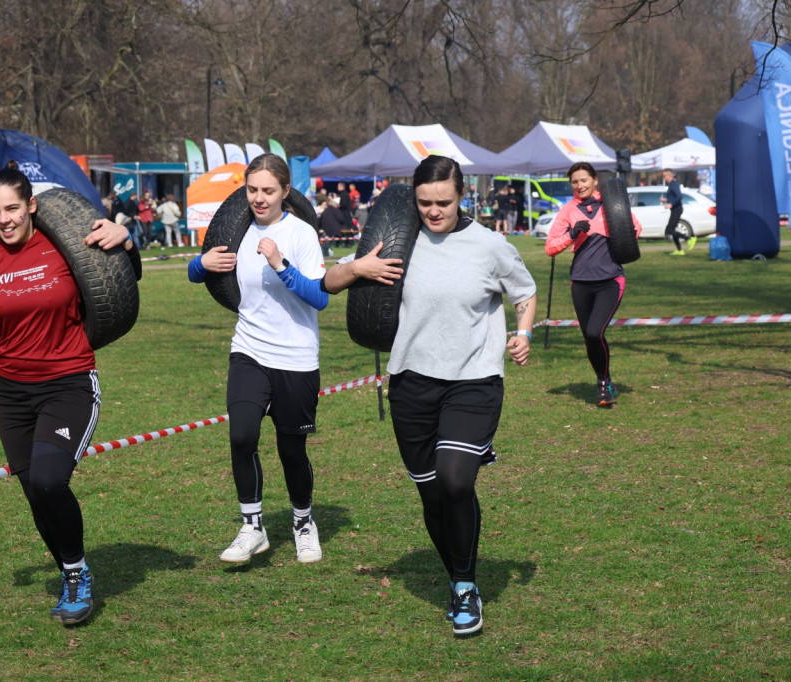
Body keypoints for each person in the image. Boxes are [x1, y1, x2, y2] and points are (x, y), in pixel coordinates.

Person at [323, 155, 537, 637]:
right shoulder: (400, 239)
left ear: (463, 197)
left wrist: (523, 331)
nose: (434, 212)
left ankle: (464, 586)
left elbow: (524, 293)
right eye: (424, 203)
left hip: (474, 381)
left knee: (457, 481)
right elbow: (327, 284)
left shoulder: (490, 246)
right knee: (432, 494)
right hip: (412, 385)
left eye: (444, 202)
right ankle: (458, 573)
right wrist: (360, 266)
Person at [0, 160, 139, 626]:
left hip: (68, 382)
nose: (4, 218)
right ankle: (74, 571)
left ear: (32, 207)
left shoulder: (65, 245)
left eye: (12, 208)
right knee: (34, 492)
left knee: (50, 481)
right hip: (12, 394)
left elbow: (124, 276)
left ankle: (76, 576)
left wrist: (125, 238)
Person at [187, 153, 329, 565]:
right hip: (249, 349)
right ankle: (252, 527)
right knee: (242, 435)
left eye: (268, 191)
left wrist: (281, 265)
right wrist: (201, 263)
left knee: (292, 451)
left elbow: (319, 297)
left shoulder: (301, 233)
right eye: (252, 190)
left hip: (297, 357)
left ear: (286, 191)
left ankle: (303, 522)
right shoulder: (237, 231)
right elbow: (200, 275)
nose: (259, 199)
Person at [545, 162, 642, 407]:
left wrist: (619, 240)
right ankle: (605, 382)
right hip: (580, 281)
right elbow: (550, 247)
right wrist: (572, 234)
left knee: (594, 331)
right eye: (575, 182)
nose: (580, 185)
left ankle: (603, 384)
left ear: (595, 180)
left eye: (584, 180)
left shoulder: (611, 203)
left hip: (610, 280)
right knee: (589, 338)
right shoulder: (568, 210)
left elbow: (635, 229)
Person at [662, 168, 695, 255]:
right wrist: (666, 200)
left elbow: (679, 196)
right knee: (672, 230)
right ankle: (679, 250)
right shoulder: (671, 185)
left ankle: (689, 238)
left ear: (669, 176)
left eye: (664, 176)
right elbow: (674, 197)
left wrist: (671, 204)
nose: (663, 178)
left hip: (677, 209)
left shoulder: (674, 184)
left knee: (669, 230)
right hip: (674, 209)